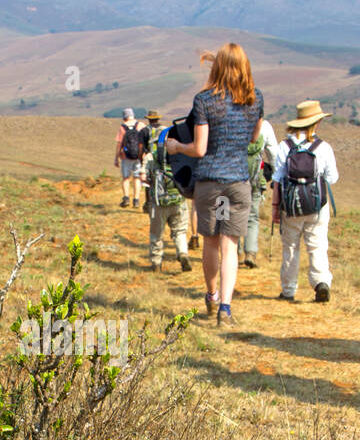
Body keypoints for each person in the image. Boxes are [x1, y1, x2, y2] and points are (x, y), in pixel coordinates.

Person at [165, 43, 265, 329]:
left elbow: (199, 148)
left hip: (210, 182)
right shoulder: (255, 99)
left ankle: (211, 296)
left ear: (218, 67)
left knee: (210, 242)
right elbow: (253, 138)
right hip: (237, 181)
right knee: (230, 246)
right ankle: (226, 308)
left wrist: (175, 146)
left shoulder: (205, 100)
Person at [271, 101, 338, 303]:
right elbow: (332, 178)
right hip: (317, 206)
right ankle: (321, 282)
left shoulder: (285, 146)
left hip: (291, 207)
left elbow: (277, 180)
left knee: (290, 247)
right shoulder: (323, 147)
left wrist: (275, 209)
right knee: (317, 245)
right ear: (315, 123)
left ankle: (289, 290)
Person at [143, 110, 192, 272]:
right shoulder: (178, 155)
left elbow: (144, 178)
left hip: (158, 202)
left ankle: (156, 263)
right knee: (179, 231)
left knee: (156, 234)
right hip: (178, 199)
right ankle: (183, 253)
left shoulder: (151, 157)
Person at [242, 117, 279, 268]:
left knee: (230, 215)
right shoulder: (265, 126)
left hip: (232, 177)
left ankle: (234, 252)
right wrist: (277, 176)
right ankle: (250, 252)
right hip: (256, 178)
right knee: (252, 216)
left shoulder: (231, 119)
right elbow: (274, 155)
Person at [113, 108, 148, 208]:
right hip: (139, 156)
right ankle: (136, 200)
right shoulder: (141, 125)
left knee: (126, 178)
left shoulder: (122, 128)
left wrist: (116, 158)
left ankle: (126, 198)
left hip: (126, 156)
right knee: (137, 178)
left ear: (124, 117)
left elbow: (119, 143)